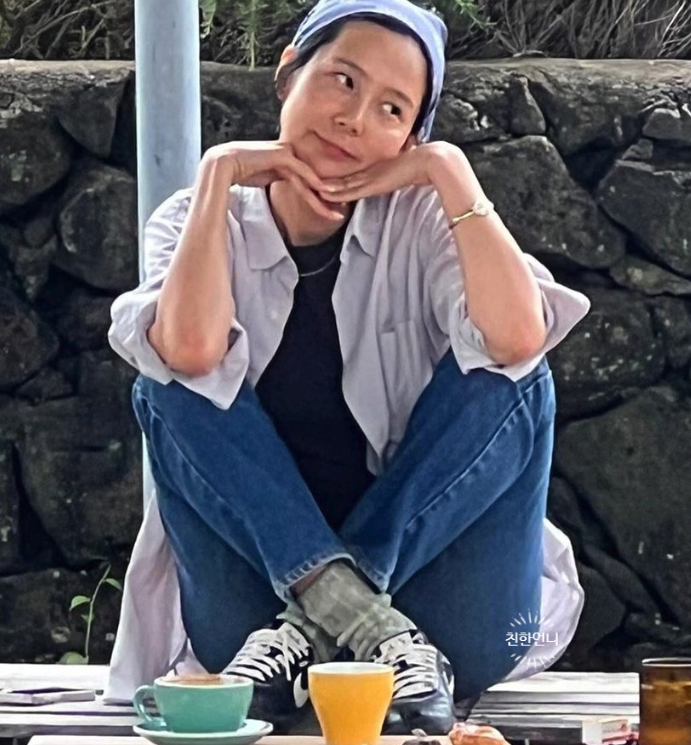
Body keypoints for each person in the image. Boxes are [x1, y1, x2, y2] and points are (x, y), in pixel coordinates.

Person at [107, 0, 590, 735]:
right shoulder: (197, 217)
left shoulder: (424, 219)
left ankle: (336, 612)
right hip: (256, 627)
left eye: (392, 109)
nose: (355, 119)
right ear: (288, 73)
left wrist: (449, 171)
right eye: (342, 80)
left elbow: (520, 337)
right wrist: (217, 173)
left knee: (512, 374)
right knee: (168, 382)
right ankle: (345, 614)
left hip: (446, 619)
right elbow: (190, 355)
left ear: (410, 137)